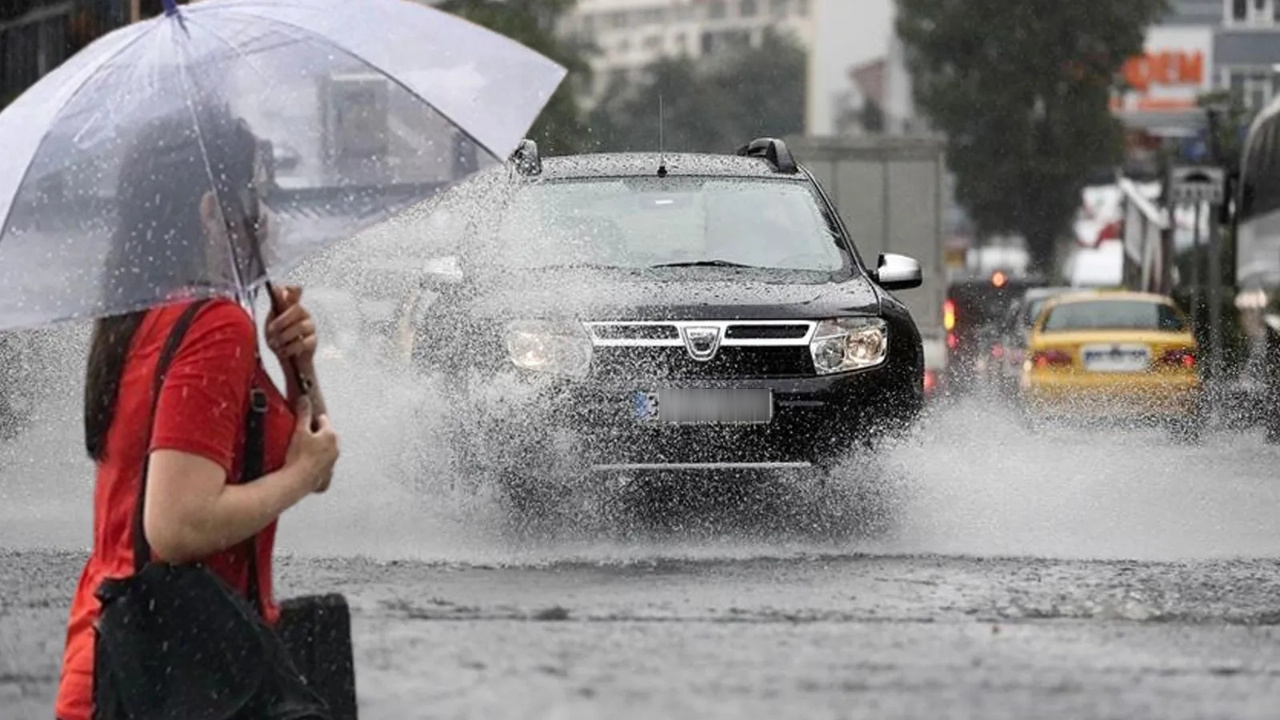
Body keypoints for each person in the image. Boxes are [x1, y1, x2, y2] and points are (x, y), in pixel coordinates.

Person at [54, 108, 341, 720]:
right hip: (184, 676)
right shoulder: (212, 327)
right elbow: (177, 525)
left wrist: (297, 369)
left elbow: (314, 459)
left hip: (123, 659)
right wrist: (296, 478)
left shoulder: (139, 315)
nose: (265, 213)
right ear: (215, 210)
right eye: (256, 192)